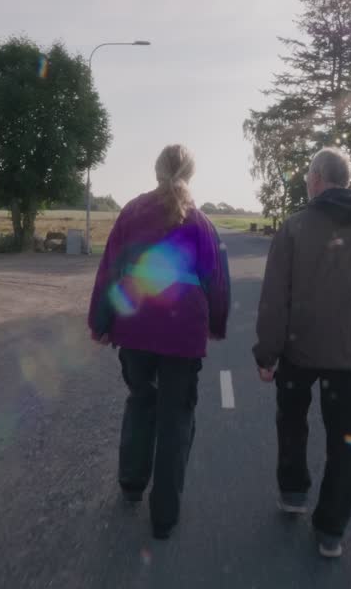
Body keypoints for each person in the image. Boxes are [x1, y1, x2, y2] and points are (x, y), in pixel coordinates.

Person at [252, 146, 351, 559]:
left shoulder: (295, 227)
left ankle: (294, 491)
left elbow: (274, 299)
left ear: (318, 179)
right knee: (344, 441)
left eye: (306, 178)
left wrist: (267, 355)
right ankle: (331, 529)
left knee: (292, 421)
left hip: (298, 352)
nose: (305, 183)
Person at [88, 144, 230, 540]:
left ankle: (132, 484)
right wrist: (217, 322)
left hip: (135, 329)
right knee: (176, 417)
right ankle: (164, 516)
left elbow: (110, 270)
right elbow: (216, 281)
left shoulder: (132, 213)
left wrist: (100, 322)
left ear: (155, 171)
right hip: (182, 333)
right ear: (191, 174)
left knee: (141, 401)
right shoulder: (200, 223)